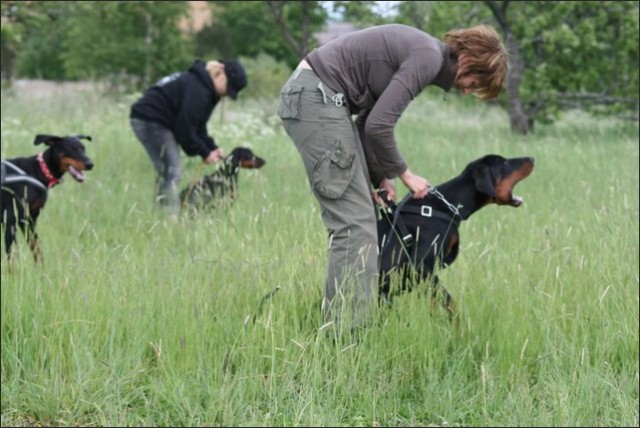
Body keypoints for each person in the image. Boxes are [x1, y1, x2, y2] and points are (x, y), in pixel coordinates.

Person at [277, 24, 507, 331]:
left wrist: (381, 178)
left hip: (323, 99)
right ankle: (345, 333)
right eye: (473, 81)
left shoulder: (425, 55)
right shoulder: (427, 59)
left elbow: (367, 121)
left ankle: (348, 323)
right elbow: (379, 126)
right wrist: (405, 175)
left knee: (362, 220)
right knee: (354, 225)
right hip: (317, 98)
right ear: (466, 59)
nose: (466, 89)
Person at [130, 59, 247, 217]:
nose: (227, 94)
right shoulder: (199, 90)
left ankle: (164, 214)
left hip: (159, 121)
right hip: (149, 119)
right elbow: (184, 130)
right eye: (228, 88)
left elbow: (198, 126)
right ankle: (168, 219)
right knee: (171, 169)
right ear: (221, 77)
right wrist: (205, 153)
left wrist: (211, 148)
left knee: (169, 170)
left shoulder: (207, 88)